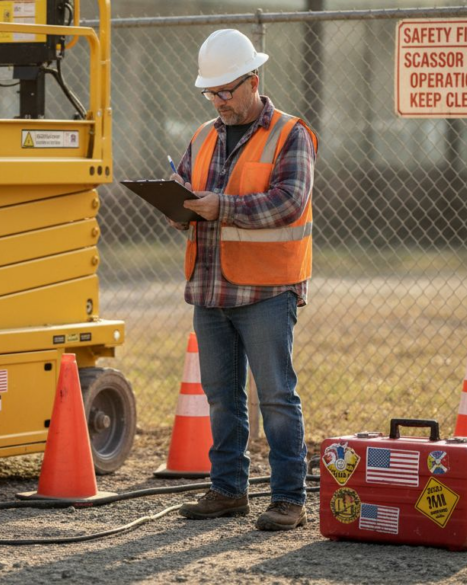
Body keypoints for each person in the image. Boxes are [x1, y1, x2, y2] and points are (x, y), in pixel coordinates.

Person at [170, 29, 318, 531]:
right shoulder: (203, 134)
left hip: (266, 291)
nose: (219, 101)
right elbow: (190, 191)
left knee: (276, 396)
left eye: (226, 91)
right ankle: (228, 490)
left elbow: (288, 202)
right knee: (221, 397)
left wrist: (220, 207)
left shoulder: (290, 133)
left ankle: (288, 499)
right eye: (211, 93)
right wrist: (177, 208)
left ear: (254, 81)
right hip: (211, 289)